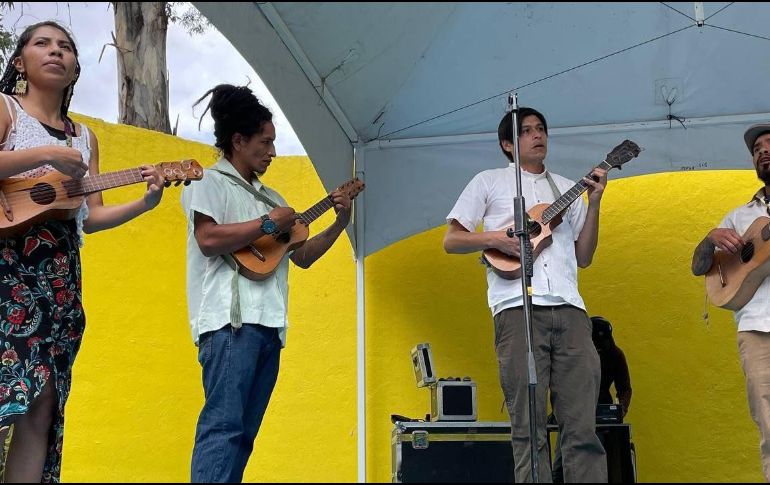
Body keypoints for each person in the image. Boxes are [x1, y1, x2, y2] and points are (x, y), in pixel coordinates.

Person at [0, 21, 166, 482]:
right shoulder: (7, 109)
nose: (56, 51)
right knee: (4, 393)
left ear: (75, 68)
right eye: (42, 43)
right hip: (7, 265)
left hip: (60, 276)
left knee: (42, 403)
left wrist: (146, 202)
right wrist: (43, 157)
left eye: (66, 47)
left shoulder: (85, 138)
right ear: (20, 62)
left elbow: (90, 216)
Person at [181, 83, 352, 483]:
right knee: (222, 429)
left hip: (269, 326)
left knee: (243, 436)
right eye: (265, 142)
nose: (273, 152)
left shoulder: (272, 195)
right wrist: (266, 222)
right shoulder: (209, 181)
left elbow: (303, 257)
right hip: (228, 324)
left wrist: (340, 221)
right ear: (238, 140)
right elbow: (208, 240)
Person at [444, 107, 608, 483]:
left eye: (542, 129)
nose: (538, 135)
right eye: (527, 131)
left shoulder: (568, 188)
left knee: (582, 426)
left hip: (570, 309)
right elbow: (452, 240)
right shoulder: (488, 181)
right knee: (528, 428)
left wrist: (595, 203)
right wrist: (496, 238)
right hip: (516, 309)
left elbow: (584, 257)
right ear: (507, 144)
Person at [691, 122, 770, 482]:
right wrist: (710, 238)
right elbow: (698, 267)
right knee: (769, 426)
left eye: (769, 145)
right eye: (757, 150)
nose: (763, 152)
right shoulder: (740, 216)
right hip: (756, 328)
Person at [552, 315, 632, 482]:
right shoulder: (573, 354)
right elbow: (560, 383)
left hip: (602, 413)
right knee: (561, 462)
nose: (600, 351)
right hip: (573, 410)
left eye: (603, 347)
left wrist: (620, 410)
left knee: (598, 456)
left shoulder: (615, 355)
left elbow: (624, 388)